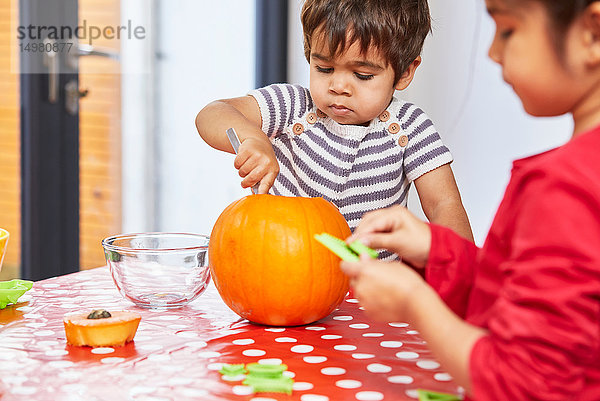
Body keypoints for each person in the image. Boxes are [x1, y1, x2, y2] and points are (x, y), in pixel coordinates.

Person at [341, 0, 600, 399]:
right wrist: (437, 250)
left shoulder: (565, 189)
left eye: (509, 29)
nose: (492, 52)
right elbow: (526, 302)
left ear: (593, 33)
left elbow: (521, 384)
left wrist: (414, 304)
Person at [195, 0, 473, 244]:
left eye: (362, 75)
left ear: (404, 72)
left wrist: (463, 274)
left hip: (374, 294)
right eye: (324, 68)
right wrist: (252, 138)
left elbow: (443, 205)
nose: (338, 86)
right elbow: (213, 113)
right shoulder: (293, 107)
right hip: (283, 276)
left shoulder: (409, 129)